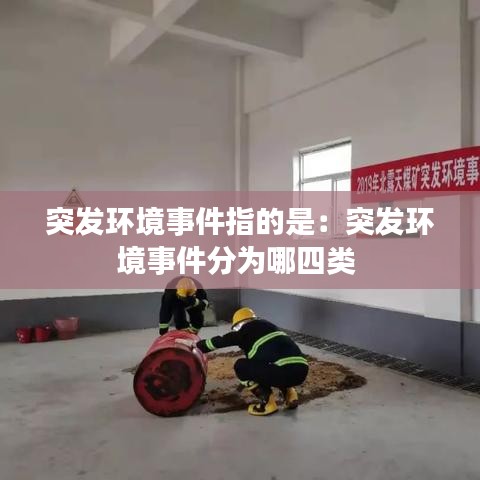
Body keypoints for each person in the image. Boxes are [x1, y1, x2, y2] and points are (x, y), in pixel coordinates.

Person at [195, 307, 309, 417]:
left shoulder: (246, 330)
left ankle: (267, 404)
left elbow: (223, 340)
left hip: (280, 372)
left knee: (241, 366)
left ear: (240, 324)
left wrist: (200, 346)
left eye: (236, 328)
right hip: (301, 370)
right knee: (273, 364)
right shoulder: (270, 326)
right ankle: (290, 394)